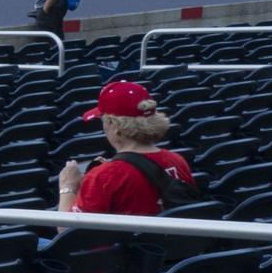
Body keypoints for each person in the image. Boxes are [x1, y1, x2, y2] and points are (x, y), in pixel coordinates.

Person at [58, 81, 198, 217]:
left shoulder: (104, 176)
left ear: (114, 125)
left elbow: (67, 228)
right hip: (168, 240)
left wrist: (68, 186)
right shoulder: (177, 160)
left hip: (122, 240)